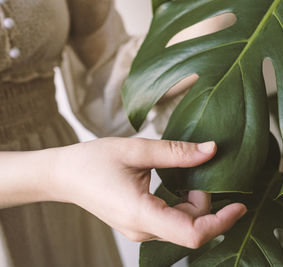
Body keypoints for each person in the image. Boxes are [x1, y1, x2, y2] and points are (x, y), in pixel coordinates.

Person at [0, 0, 246, 266]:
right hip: (66, 177)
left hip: (62, 204)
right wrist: (59, 174)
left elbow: (106, 85)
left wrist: (212, 28)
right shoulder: (65, 172)